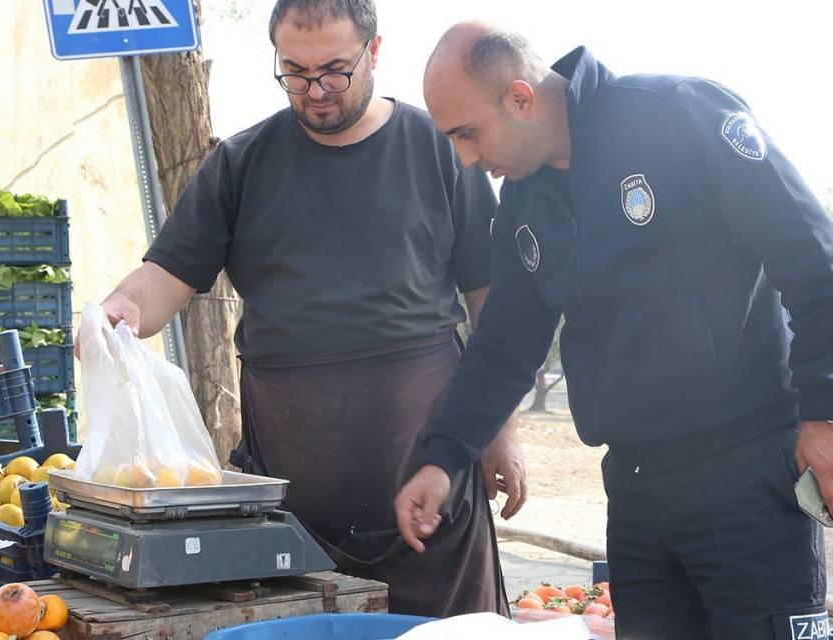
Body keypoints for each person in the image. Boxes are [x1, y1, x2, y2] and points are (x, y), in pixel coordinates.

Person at [394, 22, 833, 639]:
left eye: (467, 133)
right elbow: (503, 348)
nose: (466, 158)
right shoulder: (523, 206)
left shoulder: (679, 115)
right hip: (636, 489)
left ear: (520, 98)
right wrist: (444, 457)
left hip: (745, 477)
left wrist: (830, 410)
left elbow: (815, 258)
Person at [86, 0, 522, 619]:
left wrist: (499, 432)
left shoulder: (440, 146)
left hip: (429, 470)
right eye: (295, 71)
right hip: (294, 489)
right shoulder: (240, 164)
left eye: (336, 70)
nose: (316, 90)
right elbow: (165, 276)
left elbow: (491, 302)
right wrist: (120, 309)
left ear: (374, 52)